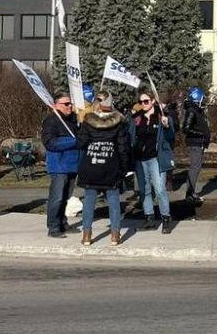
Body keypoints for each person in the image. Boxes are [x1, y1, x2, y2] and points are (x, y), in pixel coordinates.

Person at [77, 92, 130, 246]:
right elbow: (123, 148)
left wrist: (80, 126)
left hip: (91, 165)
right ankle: (115, 234)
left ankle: (87, 235)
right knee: (113, 201)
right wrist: (125, 167)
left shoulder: (88, 121)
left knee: (89, 201)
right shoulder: (118, 123)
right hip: (111, 166)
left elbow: (80, 143)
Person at [130, 92, 176, 234]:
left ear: (153, 101)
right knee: (145, 190)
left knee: (160, 189)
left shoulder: (161, 116)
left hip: (156, 158)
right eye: (141, 101)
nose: (144, 104)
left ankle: (166, 218)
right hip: (140, 159)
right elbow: (131, 135)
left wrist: (167, 125)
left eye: (146, 101)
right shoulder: (136, 118)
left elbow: (171, 137)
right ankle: (149, 218)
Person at [42, 92, 80, 238]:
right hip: (59, 165)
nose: (70, 106)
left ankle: (62, 222)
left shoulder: (74, 119)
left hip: (72, 164)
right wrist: (74, 141)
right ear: (56, 105)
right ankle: (53, 226)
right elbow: (50, 143)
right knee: (56, 197)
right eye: (66, 104)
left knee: (66, 197)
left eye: (70, 103)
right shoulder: (51, 121)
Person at [181, 86, 210, 205]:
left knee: (196, 167)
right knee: (195, 168)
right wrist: (201, 135)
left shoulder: (197, 110)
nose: (203, 102)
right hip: (195, 143)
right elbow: (186, 128)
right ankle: (190, 193)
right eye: (202, 99)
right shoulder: (192, 111)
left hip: (199, 143)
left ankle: (191, 192)